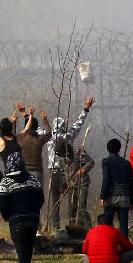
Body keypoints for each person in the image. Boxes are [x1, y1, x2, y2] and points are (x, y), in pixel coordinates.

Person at [46, 96, 95, 230]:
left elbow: (36, 130)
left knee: (56, 202)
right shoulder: (68, 137)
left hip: (55, 172)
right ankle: (76, 227)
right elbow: (78, 124)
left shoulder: (48, 137)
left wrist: (27, 116)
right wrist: (86, 109)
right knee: (75, 205)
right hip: (67, 173)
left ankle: (55, 227)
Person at [0, 152, 44, 263]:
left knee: (20, 247)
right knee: (28, 246)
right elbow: (40, 198)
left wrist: (8, 217)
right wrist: (34, 211)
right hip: (33, 218)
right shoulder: (33, 179)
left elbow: (3, 204)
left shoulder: (5, 181)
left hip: (16, 220)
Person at [100, 138, 133, 238]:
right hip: (125, 197)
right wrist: (132, 202)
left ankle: (106, 244)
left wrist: (102, 196)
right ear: (119, 149)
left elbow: (106, 180)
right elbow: (131, 183)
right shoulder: (126, 163)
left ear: (108, 149)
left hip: (111, 196)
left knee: (107, 223)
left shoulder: (106, 161)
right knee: (123, 225)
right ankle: (124, 248)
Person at [17, 106, 52, 186]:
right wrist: (45, 119)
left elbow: (11, 136)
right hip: (37, 172)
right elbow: (49, 134)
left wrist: (15, 121)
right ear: (36, 128)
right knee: (37, 197)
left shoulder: (20, 138)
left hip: (23, 172)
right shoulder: (38, 139)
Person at [68, 143, 95, 229]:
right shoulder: (61, 157)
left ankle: (89, 229)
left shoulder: (78, 151)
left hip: (82, 182)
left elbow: (91, 162)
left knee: (82, 207)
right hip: (71, 184)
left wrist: (83, 169)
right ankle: (74, 230)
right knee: (72, 209)